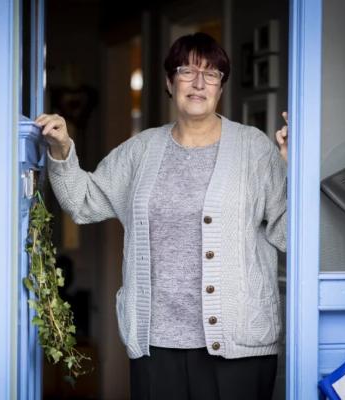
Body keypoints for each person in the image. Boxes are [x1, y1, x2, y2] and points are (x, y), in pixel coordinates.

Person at [36, 32, 288, 400]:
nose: (199, 83)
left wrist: (293, 169)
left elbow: (287, 233)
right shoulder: (142, 150)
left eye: (212, 73)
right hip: (158, 344)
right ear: (170, 82)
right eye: (187, 71)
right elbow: (84, 201)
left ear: (221, 87)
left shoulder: (255, 149)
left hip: (238, 344)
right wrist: (62, 149)